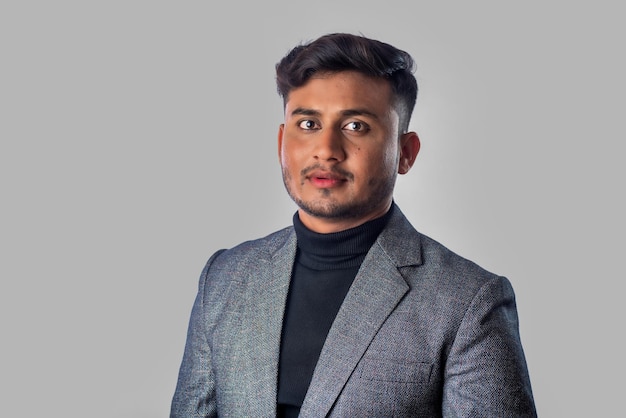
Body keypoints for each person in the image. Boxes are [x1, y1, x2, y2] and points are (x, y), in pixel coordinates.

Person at [170, 33, 537, 417]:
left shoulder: (468, 302)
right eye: (309, 123)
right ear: (283, 142)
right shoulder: (224, 279)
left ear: (405, 152)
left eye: (356, 126)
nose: (326, 148)